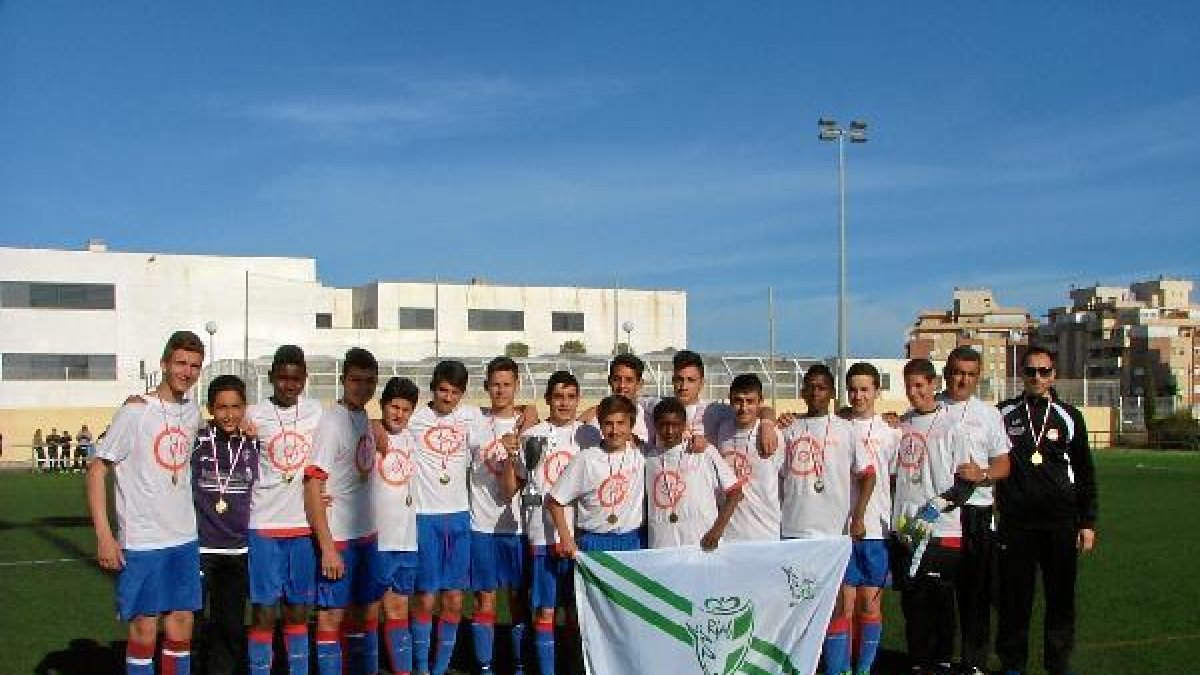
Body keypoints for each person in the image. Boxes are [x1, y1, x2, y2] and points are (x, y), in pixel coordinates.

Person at [86, 330, 205, 675]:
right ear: (164, 364)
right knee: (144, 629)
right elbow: (96, 471)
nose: (187, 372)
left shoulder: (192, 412)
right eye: (181, 363)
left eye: (195, 366)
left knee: (182, 623)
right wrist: (104, 536)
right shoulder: (135, 412)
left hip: (184, 538)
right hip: (142, 541)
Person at [995, 346, 1098, 675]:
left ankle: (1058, 665)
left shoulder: (1069, 415)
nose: (1037, 377)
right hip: (1016, 525)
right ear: (1021, 375)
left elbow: (1084, 471)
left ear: (1053, 375)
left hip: (1060, 524)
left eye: (1043, 371)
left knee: (1060, 601)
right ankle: (1013, 665)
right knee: (1015, 601)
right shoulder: (1003, 413)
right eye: (1030, 371)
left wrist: (1087, 522)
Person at [779, 364, 874, 675]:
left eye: (822, 388)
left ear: (832, 393)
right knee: (796, 609)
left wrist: (858, 516)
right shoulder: (789, 430)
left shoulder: (847, 430)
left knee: (836, 606)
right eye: (810, 387)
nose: (816, 393)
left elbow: (868, 475)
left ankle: (836, 669)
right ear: (803, 391)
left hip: (833, 535)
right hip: (793, 531)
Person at [892, 358, 978, 675]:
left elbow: (966, 482)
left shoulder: (952, 427)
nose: (915, 392)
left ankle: (942, 661)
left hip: (942, 529)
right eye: (909, 386)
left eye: (920, 385)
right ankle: (917, 661)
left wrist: (938, 505)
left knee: (940, 599)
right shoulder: (900, 425)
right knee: (912, 602)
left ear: (932, 385)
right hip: (906, 530)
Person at [510, 370, 598, 675]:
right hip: (541, 532)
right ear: (547, 399)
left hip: (580, 536)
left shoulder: (590, 436)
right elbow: (519, 483)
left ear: (578, 401)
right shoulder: (531, 436)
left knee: (576, 611)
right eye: (558, 396)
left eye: (571, 397)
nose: (564, 403)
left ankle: (575, 667)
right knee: (545, 610)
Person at [246, 345, 324, 675]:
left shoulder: (318, 412)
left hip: (304, 526)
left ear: (305, 379)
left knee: (298, 610)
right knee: (263, 611)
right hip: (264, 523)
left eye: (296, 379)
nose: (289, 385)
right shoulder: (254, 414)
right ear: (271, 378)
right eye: (282, 378)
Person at [304, 347, 383, 675]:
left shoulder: (363, 417)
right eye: (355, 380)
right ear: (342, 380)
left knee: (362, 612)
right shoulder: (332, 423)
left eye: (368, 382)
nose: (361, 387)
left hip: (366, 535)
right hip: (339, 539)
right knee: (331, 615)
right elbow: (312, 482)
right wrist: (327, 549)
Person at [407, 360, 485, 675]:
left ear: (463, 394)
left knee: (454, 601)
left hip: (459, 519)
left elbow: (507, 416)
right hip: (425, 518)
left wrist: (528, 413)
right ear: (433, 388)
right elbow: (380, 423)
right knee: (425, 600)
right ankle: (421, 667)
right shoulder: (416, 418)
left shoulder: (471, 416)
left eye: (454, 392)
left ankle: (439, 669)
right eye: (442, 390)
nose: (448, 398)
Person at [939, 346, 1012, 675]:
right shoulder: (931, 408)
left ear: (978, 378)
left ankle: (974, 663)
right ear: (946, 372)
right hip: (938, 513)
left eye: (970, 374)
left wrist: (981, 474)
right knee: (940, 594)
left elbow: (1003, 465)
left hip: (977, 513)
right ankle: (937, 657)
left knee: (976, 592)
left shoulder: (989, 414)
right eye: (957, 372)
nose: (962, 379)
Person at [192, 374, 259, 675]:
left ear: (245, 408)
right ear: (210, 408)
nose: (229, 414)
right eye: (222, 407)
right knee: (190, 623)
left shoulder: (254, 442)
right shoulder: (197, 439)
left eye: (236, 406)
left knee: (230, 626)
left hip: (237, 551)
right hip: (200, 548)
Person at [469, 357, 531, 675]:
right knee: (485, 601)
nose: (501, 390)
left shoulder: (530, 426)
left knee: (518, 601)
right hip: (481, 526)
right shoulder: (473, 421)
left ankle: (519, 664)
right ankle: (484, 666)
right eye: (495, 384)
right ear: (486, 386)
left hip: (517, 527)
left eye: (507, 385)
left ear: (516, 386)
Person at [842, 362, 903, 675]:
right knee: (844, 604)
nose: (858, 395)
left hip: (875, 529)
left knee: (870, 603)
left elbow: (893, 477)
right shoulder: (839, 425)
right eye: (853, 389)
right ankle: (842, 666)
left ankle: (865, 666)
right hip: (841, 530)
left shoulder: (890, 431)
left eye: (865, 389)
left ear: (877, 391)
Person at [548, 394, 647, 556]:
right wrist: (566, 539)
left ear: (631, 425)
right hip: (593, 541)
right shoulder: (585, 459)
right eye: (608, 424)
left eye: (621, 423)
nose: (615, 431)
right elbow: (554, 502)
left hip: (632, 541)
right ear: (600, 425)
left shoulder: (642, 456)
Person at [370, 377, 421, 675]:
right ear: (383, 405)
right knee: (370, 611)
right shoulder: (366, 432)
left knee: (399, 610)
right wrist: (373, 422)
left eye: (405, 409)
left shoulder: (414, 436)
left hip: (407, 539)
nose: (399, 414)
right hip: (376, 541)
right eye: (393, 407)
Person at [643, 397, 743, 550]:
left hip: (702, 544)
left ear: (684, 425)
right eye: (663, 425)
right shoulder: (648, 459)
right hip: (662, 547)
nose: (669, 431)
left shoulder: (703, 452)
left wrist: (716, 531)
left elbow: (735, 492)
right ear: (655, 426)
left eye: (675, 425)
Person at [716, 374, 785, 543]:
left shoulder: (773, 434)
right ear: (730, 401)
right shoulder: (723, 430)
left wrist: (768, 423)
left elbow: (786, 477)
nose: (743, 407)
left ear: (760, 402)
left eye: (750, 401)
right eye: (738, 401)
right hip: (729, 534)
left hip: (765, 532)